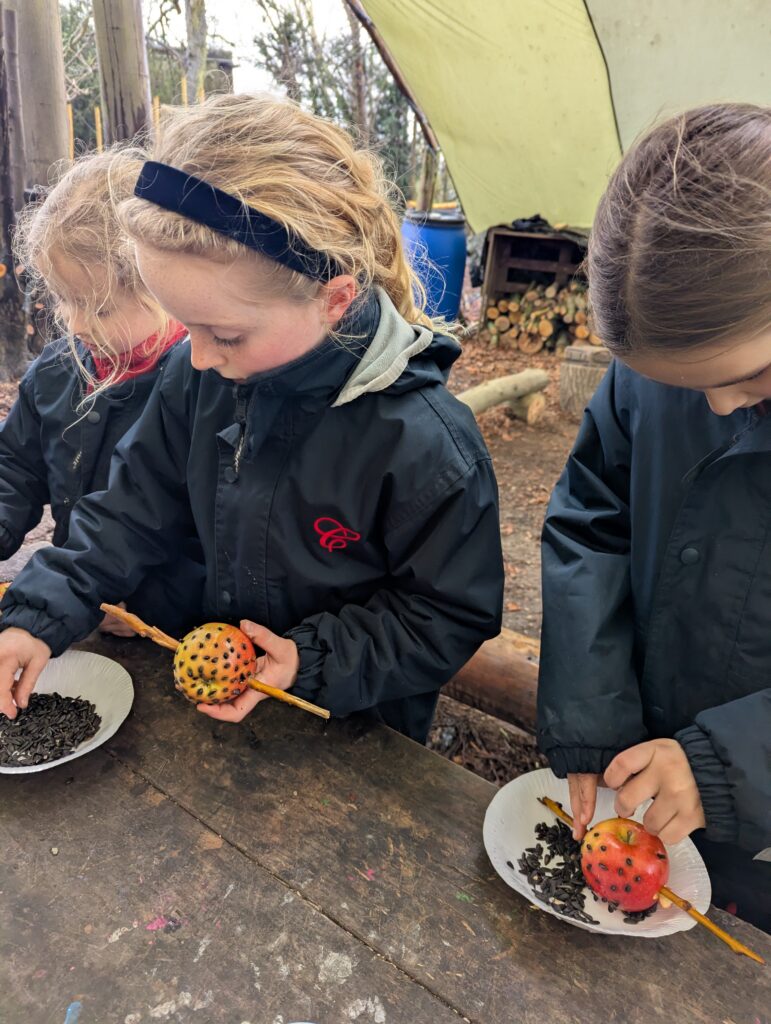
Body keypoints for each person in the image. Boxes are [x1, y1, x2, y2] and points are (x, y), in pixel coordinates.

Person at [0, 94, 503, 741]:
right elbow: (130, 509)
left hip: (350, 731)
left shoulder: (425, 445)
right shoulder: (195, 375)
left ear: (334, 299)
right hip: (225, 714)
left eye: (224, 334)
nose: (199, 357)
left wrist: (311, 659)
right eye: (186, 327)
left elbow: (445, 612)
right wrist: (38, 613)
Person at [538, 104, 771, 929]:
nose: (715, 405)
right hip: (651, 778)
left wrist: (731, 769)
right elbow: (590, 522)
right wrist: (592, 713)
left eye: (751, 378)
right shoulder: (656, 373)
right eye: (682, 384)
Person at [1, 149, 202, 640]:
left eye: (100, 307)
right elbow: (14, 470)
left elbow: (205, 528)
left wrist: (146, 600)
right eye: (64, 299)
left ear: (160, 286)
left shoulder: (203, 383)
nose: (73, 322)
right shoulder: (57, 370)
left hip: (171, 628)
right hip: (76, 601)